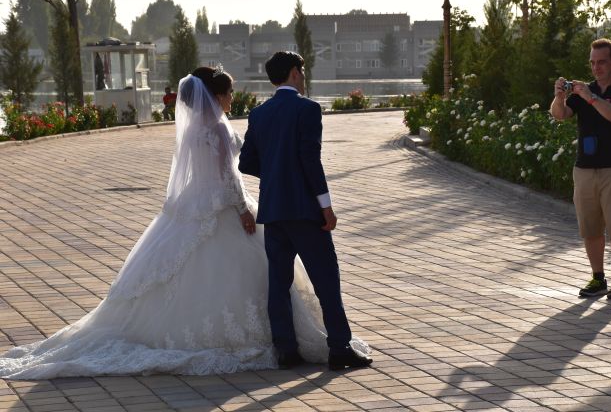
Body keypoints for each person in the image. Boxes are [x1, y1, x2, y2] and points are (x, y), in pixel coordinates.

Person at [0, 66, 368, 379]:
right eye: (228, 94)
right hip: (225, 206)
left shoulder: (193, 129)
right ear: (218, 95)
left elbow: (209, 172)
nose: (230, 100)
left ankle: (282, 344)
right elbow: (229, 176)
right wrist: (242, 209)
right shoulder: (221, 128)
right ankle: (277, 341)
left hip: (193, 205)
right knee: (267, 273)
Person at [239, 51, 372, 370]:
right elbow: (311, 161)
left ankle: (286, 350)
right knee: (326, 279)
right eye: (302, 70)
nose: (303, 75)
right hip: (304, 211)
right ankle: (339, 347)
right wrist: (326, 207)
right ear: (295, 73)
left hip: (273, 211)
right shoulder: (308, 109)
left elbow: (245, 162)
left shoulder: (259, 114)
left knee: (278, 283)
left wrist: (275, 174)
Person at [550, 38, 611, 300]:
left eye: (601, 62)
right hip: (585, 169)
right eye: (592, 62)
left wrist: (591, 98)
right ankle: (597, 278)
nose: (596, 67)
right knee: (590, 227)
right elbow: (560, 115)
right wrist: (559, 97)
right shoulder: (584, 90)